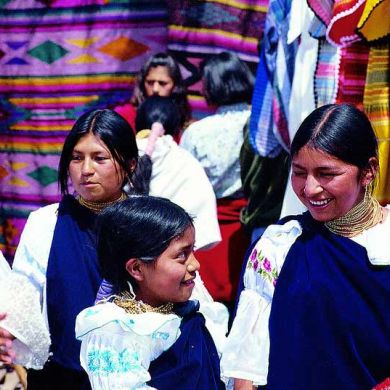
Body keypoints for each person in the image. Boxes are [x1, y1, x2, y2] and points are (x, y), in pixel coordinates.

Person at [221, 103, 390, 389]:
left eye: (327, 174)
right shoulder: (279, 246)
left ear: (369, 171)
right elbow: (247, 362)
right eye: (299, 172)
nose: (310, 189)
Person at [0, 109, 139, 389]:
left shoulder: (150, 222)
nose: (86, 169)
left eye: (99, 158)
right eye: (77, 158)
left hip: (138, 375)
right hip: (63, 376)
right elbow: (24, 295)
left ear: (131, 164)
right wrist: (9, 328)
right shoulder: (45, 223)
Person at [76, 195, 225, 389]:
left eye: (192, 250)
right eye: (181, 255)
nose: (195, 264)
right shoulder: (115, 331)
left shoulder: (191, 310)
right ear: (137, 269)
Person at [180, 51, 254, 306]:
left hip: (208, 229)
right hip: (250, 223)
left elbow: (185, 183)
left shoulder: (196, 133)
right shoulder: (259, 125)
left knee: (209, 302)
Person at [134, 95, 221, 251]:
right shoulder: (186, 161)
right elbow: (205, 231)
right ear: (176, 126)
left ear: (138, 123)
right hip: (173, 259)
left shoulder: (120, 156)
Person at [115, 52, 191, 134]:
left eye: (162, 83)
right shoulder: (123, 117)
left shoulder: (185, 125)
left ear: (175, 86)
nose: (155, 89)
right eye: (150, 82)